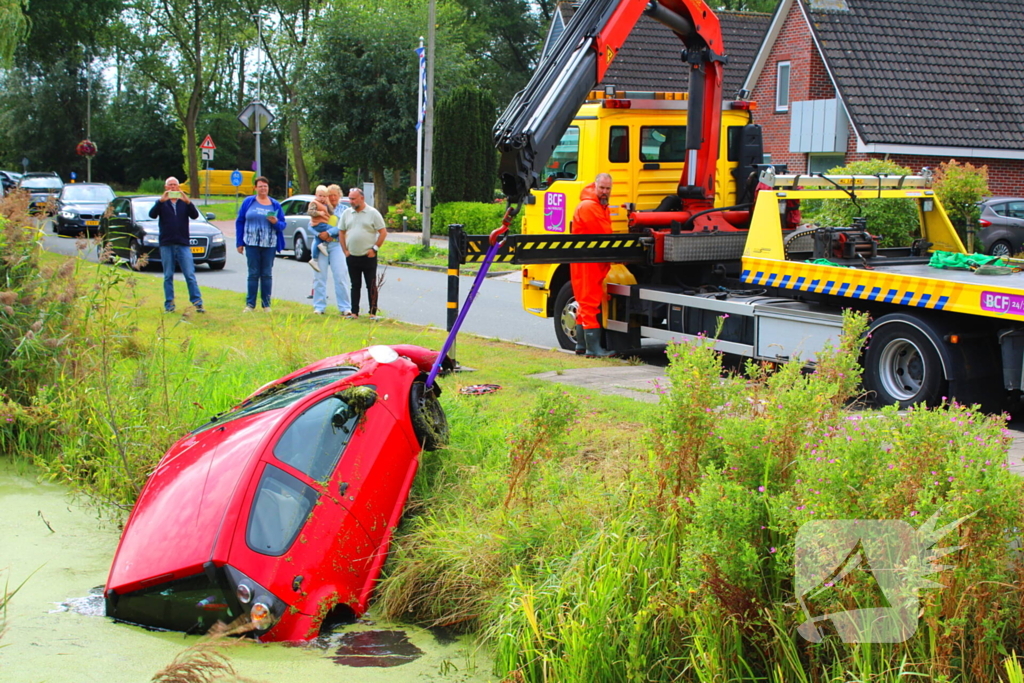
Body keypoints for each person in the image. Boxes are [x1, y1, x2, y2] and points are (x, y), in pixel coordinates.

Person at [570, 173, 615, 357]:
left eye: (608, 188)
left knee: (584, 302)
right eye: (602, 188)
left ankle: (582, 345)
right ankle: (593, 349)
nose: (605, 191)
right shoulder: (590, 206)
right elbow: (603, 232)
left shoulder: (596, 205)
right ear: (595, 186)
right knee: (589, 302)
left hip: (587, 260)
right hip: (588, 260)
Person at [149, 177, 204, 314]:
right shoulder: (162, 203)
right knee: (168, 275)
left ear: (179, 187)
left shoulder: (183, 203)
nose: (173, 188)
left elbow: (195, 216)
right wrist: (160, 201)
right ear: (166, 187)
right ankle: (169, 304)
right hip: (167, 243)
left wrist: (188, 201)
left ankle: (197, 302)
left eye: (175, 185)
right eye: (170, 185)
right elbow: (152, 215)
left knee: (189, 274)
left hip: (183, 243)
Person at [236, 176, 286, 312]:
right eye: (260, 186)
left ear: (268, 188)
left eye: (265, 186)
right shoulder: (248, 202)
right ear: (255, 188)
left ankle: (266, 305)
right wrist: (239, 242)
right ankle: (250, 304)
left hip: (269, 244)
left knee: (266, 274)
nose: (263, 189)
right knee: (253, 273)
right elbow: (240, 221)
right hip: (251, 243)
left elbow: (282, 225)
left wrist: (275, 222)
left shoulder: (275, 204)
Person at [339, 187, 387, 319]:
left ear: (362, 198)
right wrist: (345, 250)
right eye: (350, 198)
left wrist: (375, 248)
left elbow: (383, 232)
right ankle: (354, 312)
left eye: (353, 199)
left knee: (371, 284)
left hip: (368, 255)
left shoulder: (372, 213)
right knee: (355, 285)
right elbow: (341, 231)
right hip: (352, 255)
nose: (351, 201)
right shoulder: (347, 213)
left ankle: (372, 312)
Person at [310, 184, 354, 317]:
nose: (332, 198)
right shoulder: (320, 206)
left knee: (340, 275)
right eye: (330, 195)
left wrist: (328, 233)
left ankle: (345, 307)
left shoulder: (344, 210)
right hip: (320, 243)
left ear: (340, 196)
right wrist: (320, 235)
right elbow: (311, 223)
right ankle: (319, 306)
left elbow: (343, 226)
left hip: (337, 245)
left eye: (335, 195)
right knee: (319, 276)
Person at [306, 185, 332, 273]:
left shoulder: (325, 204)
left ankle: (314, 259)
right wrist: (318, 213)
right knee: (334, 230)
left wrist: (328, 203)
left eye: (324, 196)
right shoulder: (314, 203)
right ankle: (324, 244)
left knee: (317, 240)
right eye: (320, 196)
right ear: (316, 195)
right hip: (318, 224)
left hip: (322, 223)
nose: (322, 198)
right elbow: (310, 212)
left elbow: (331, 212)